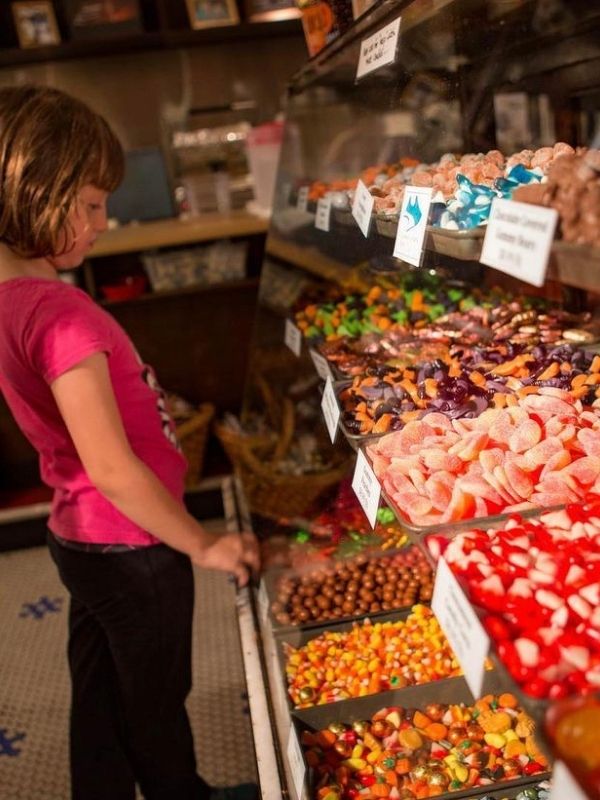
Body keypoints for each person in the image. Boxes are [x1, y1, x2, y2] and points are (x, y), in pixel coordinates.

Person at [0, 85, 260, 800]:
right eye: (87, 205)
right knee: (154, 706)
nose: (102, 222)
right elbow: (113, 468)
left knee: (102, 696)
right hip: (132, 547)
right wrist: (200, 544)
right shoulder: (60, 314)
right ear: (34, 193)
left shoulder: (11, 302)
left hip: (77, 535)